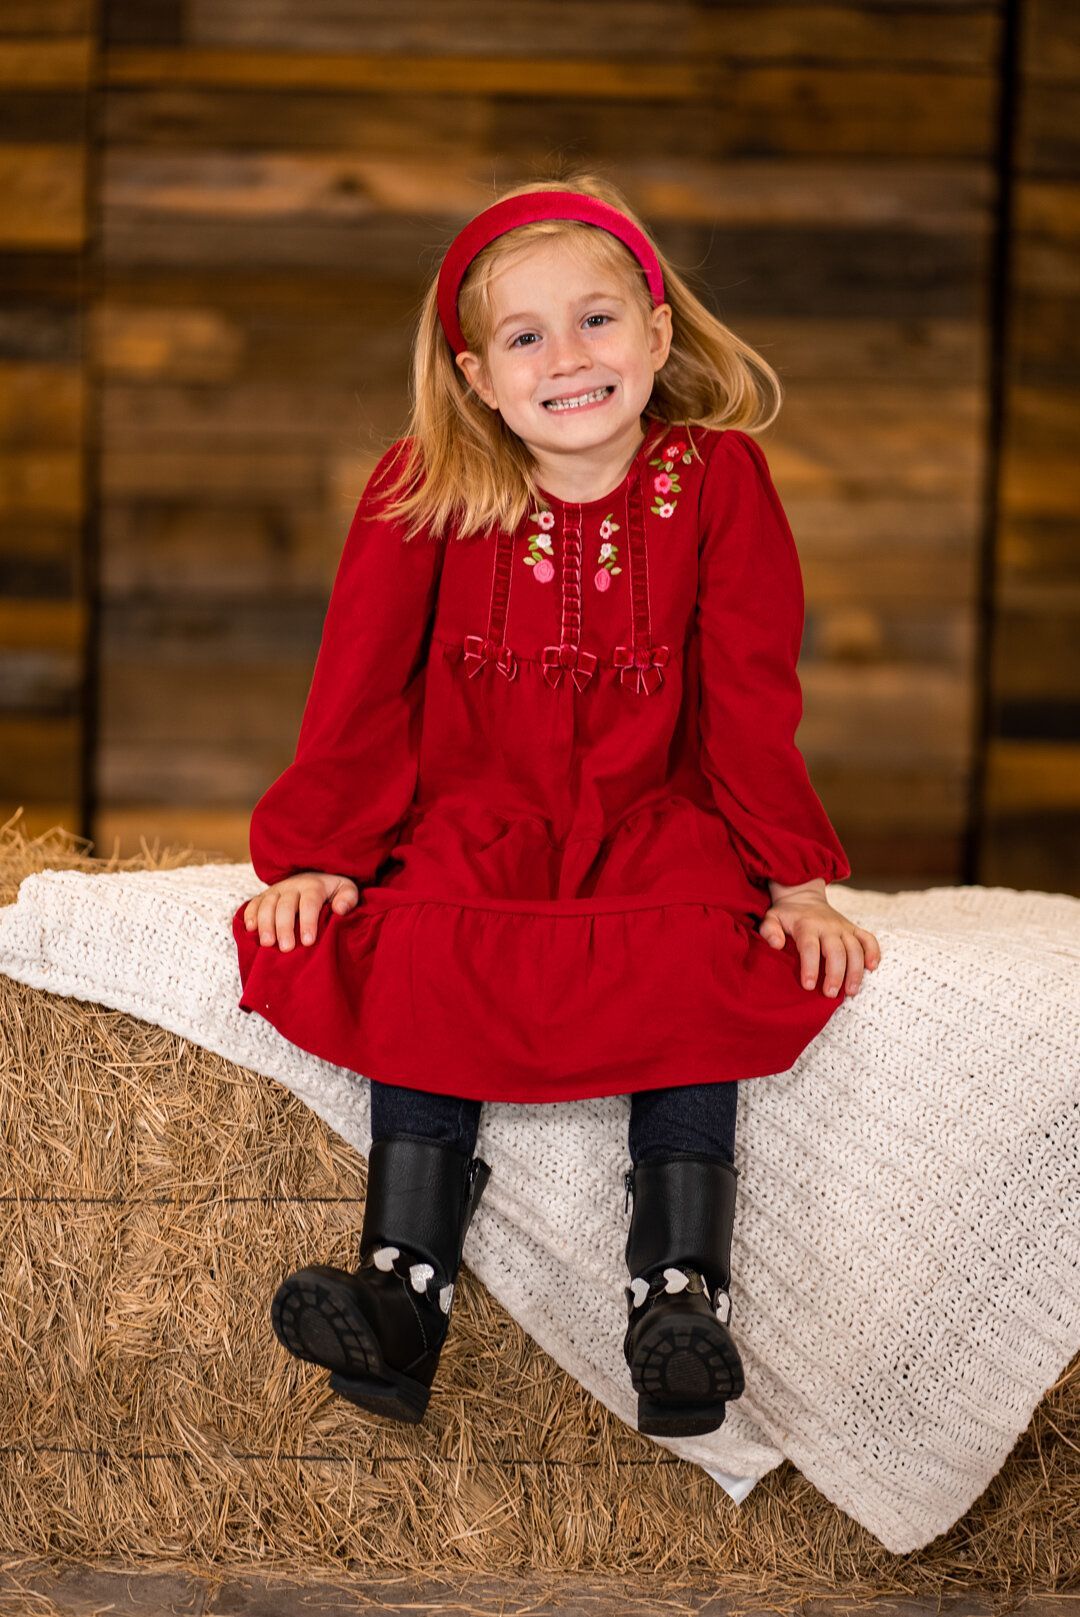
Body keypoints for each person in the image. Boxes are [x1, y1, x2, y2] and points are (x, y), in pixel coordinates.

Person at [231, 174, 881, 1438]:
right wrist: (320, 854)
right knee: (424, 949)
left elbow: (750, 692)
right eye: (526, 336)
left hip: (656, 820)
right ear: (477, 374)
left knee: (697, 949)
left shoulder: (719, 479)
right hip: (478, 815)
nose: (568, 358)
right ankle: (401, 1294)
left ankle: (678, 1299)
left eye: (596, 321)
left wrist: (791, 878)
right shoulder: (425, 483)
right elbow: (362, 683)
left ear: (657, 334)